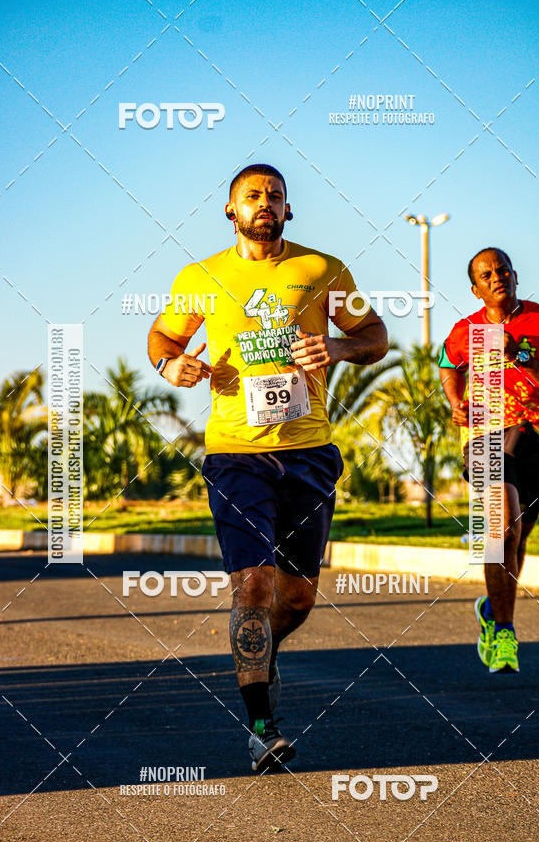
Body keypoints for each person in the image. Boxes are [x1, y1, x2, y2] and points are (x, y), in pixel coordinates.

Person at [147, 164, 388, 770]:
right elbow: (163, 337)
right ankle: (261, 725)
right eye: (251, 197)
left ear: (288, 209)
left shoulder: (322, 270)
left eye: (275, 196)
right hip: (236, 455)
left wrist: (338, 346)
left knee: (299, 598)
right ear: (231, 211)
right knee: (253, 584)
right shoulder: (200, 277)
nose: (264, 204)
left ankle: (258, 651)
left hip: (309, 453)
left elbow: (375, 334)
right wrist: (170, 366)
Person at [439, 247, 539, 673]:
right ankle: (503, 633)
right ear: (475, 288)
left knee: (517, 537)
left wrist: (526, 360)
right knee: (499, 526)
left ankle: (490, 609)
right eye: (486, 274)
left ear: (514, 275)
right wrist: (454, 400)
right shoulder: (465, 330)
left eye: (502, 269)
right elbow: (447, 363)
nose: (496, 276)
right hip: (483, 434)